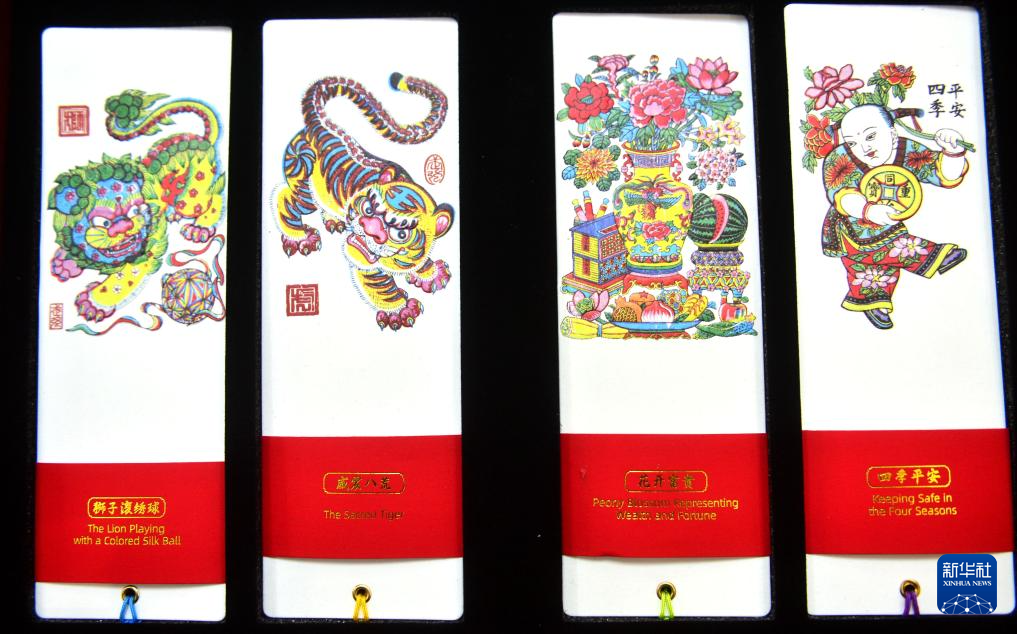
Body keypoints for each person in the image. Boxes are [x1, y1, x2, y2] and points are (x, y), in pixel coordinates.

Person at [819, 104, 968, 329]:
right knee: (890, 245)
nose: (864, 147)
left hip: (887, 223)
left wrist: (953, 152)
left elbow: (940, 173)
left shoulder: (907, 150)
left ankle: (872, 302)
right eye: (853, 142)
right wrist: (867, 210)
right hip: (849, 224)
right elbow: (840, 194)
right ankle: (932, 256)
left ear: (892, 132)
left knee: (872, 269)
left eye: (871, 136)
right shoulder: (840, 157)